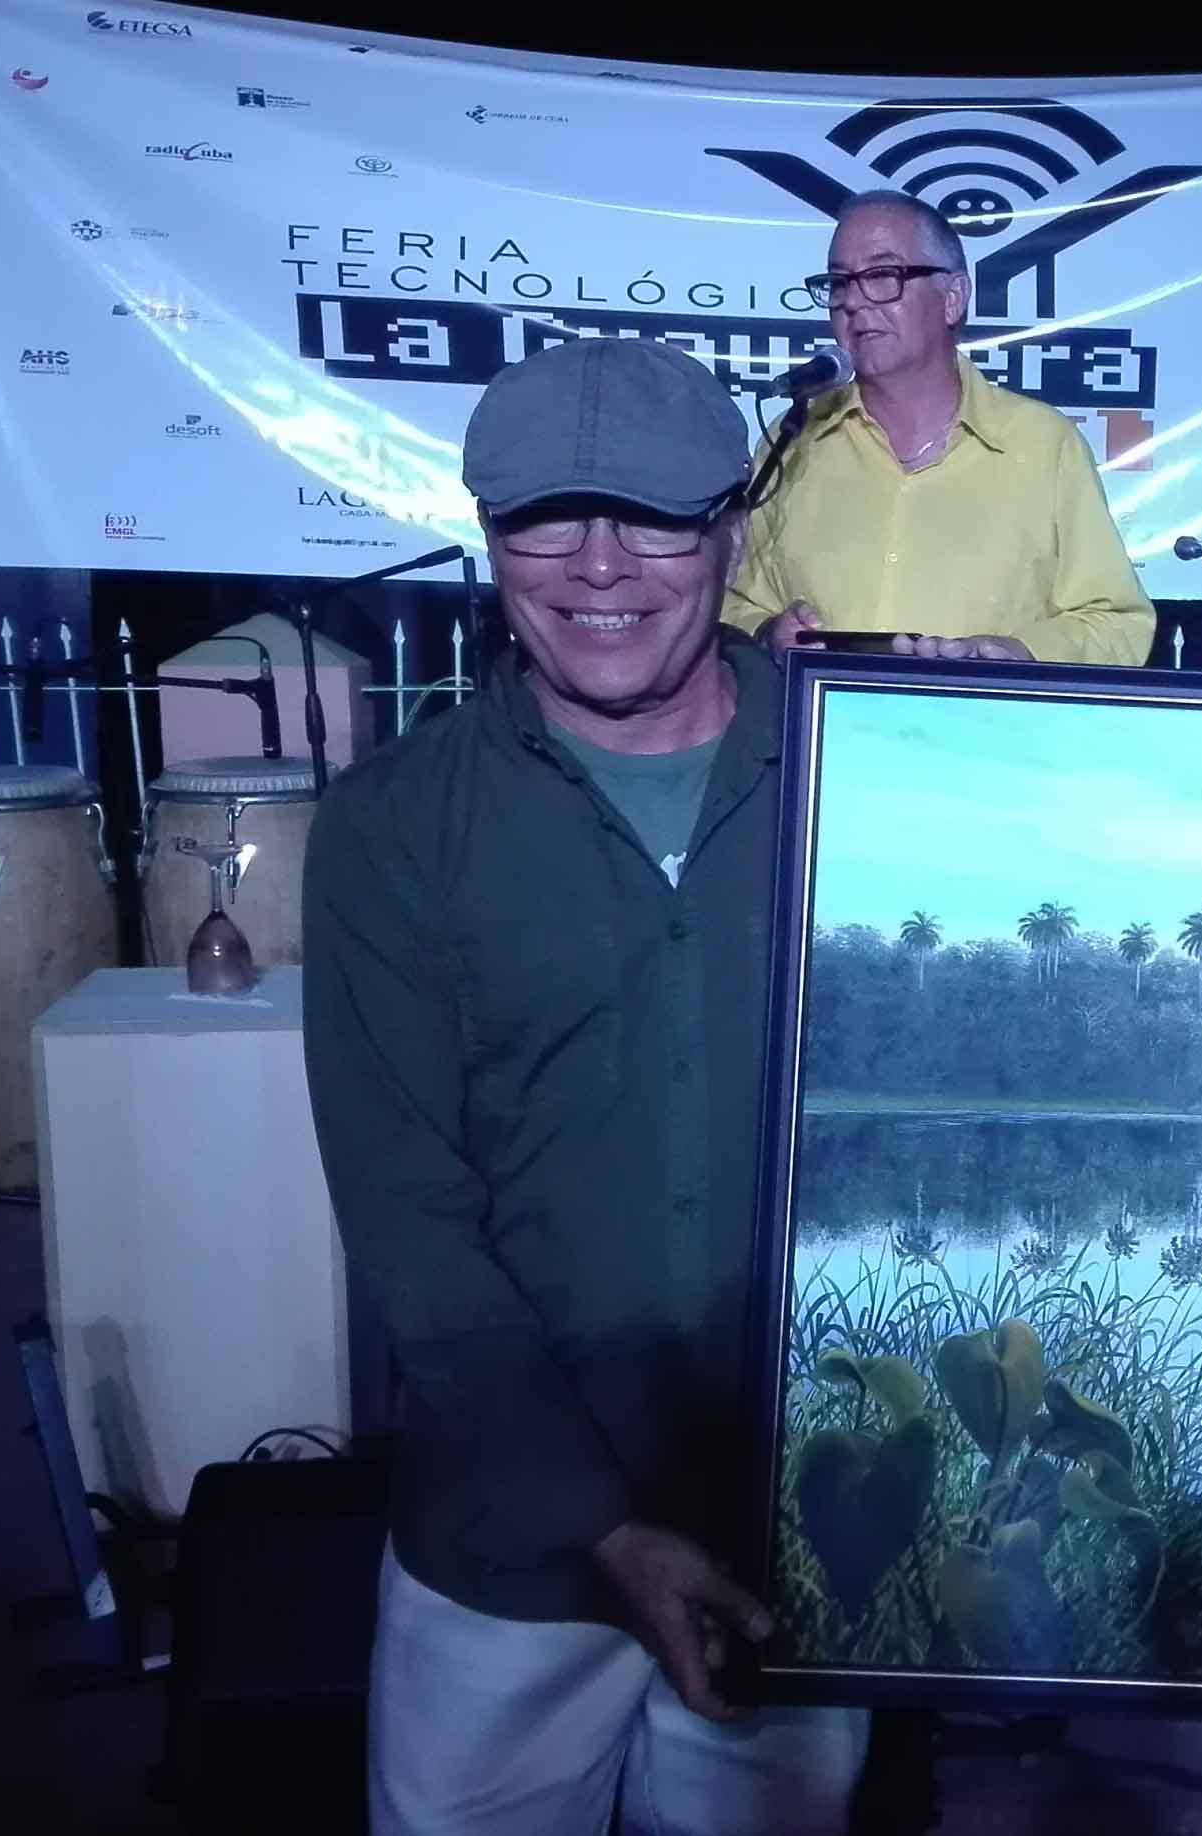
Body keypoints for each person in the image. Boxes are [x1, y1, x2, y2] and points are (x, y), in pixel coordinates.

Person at [303, 336, 866, 1835]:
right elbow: (410, 1218)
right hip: (506, 1548)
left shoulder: (860, 776)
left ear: (732, 528)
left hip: (788, 1530)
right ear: (487, 540)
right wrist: (596, 1527)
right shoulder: (392, 829)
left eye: (655, 516)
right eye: (547, 519)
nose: (599, 566)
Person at [723, 188, 1156, 666]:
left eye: (883, 275)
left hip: (984, 732)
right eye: (840, 282)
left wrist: (1023, 654)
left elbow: (1117, 624)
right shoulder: (793, 440)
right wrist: (766, 634)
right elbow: (722, 603)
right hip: (812, 731)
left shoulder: (1043, 444)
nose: (853, 302)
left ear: (953, 299)